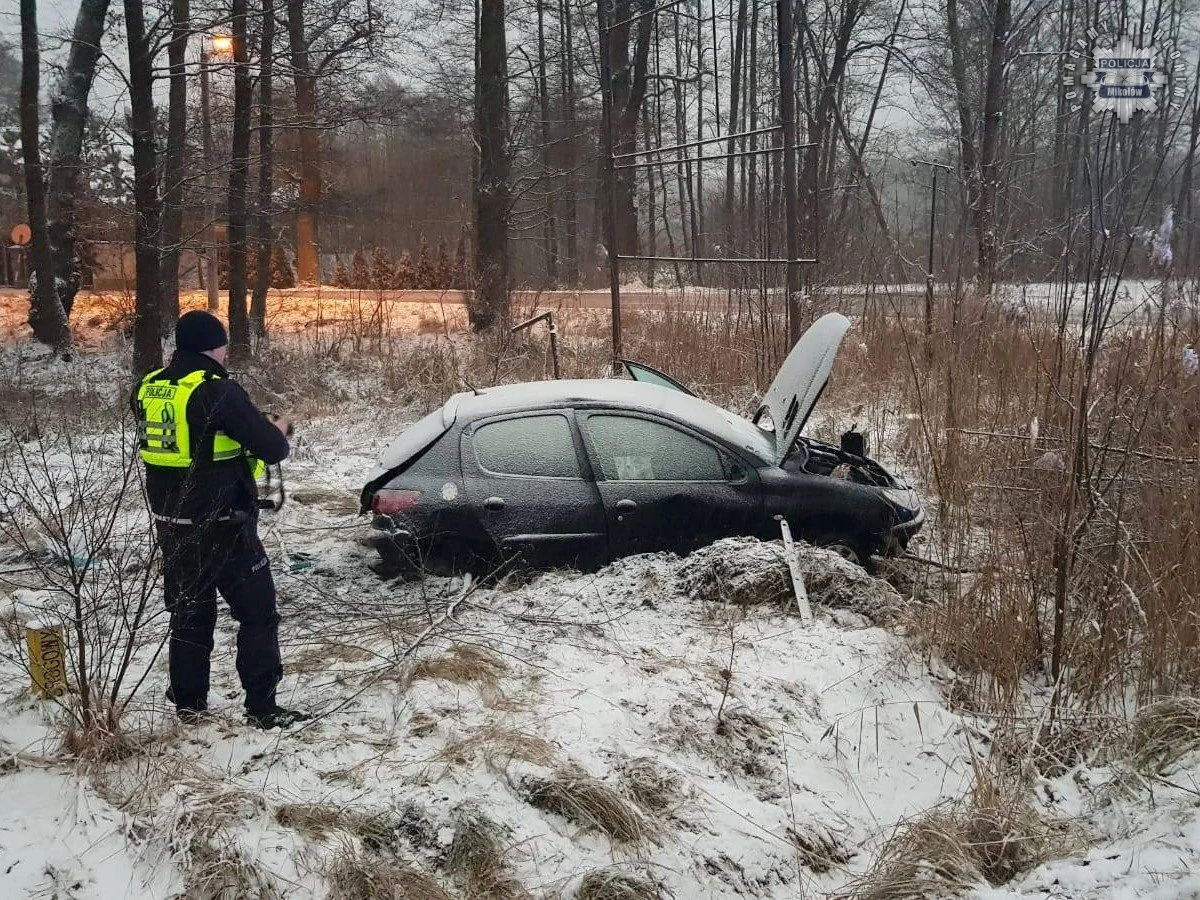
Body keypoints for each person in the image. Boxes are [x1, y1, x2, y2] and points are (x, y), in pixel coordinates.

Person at [133, 310, 309, 729]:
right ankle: (262, 707)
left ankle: (189, 706)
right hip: (225, 526)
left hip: (171, 524)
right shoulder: (219, 391)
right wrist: (278, 427)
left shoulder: (149, 387)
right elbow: (272, 449)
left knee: (190, 617)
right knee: (259, 614)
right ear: (214, 347)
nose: (227, 352)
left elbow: (194, 441)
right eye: (225, 345)